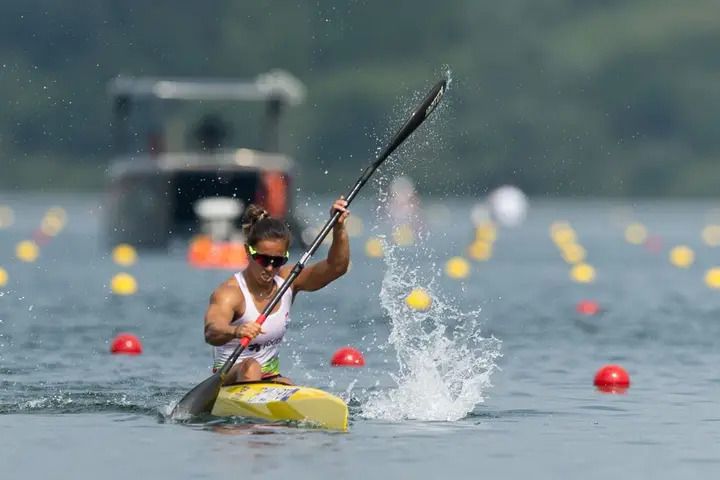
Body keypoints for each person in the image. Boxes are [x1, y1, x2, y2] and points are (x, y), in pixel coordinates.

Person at [203, 197, 350, 385]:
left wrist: (339, 229)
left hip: (269, 378)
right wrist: (237, 330)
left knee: (289, 384)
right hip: (229, 380)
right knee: (251, 366)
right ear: (248, 252)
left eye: (278, 261)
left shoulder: (288, 280)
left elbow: (336, 267)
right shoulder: (230, 293)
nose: (270, 268)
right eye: (264, 260)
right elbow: (211, 332)